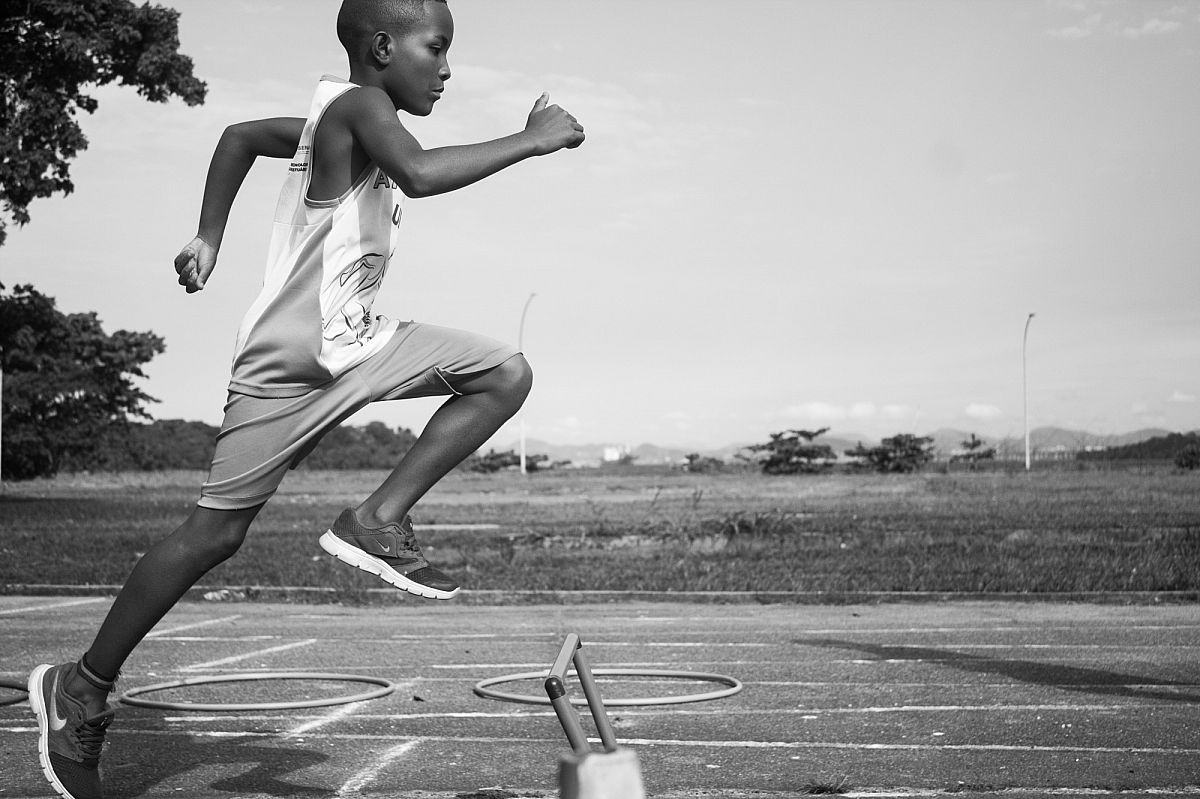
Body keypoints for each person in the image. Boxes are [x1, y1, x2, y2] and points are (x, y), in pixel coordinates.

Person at [27, 1, 583, 796]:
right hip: (289, 357)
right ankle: (79, 685)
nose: (449, 68)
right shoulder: (363, 107)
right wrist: (534, 139)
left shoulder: (337, 117)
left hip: (356, 341)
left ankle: (376, 519)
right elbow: (421, 176)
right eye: (439, 48)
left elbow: (238, 138)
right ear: (384, 47)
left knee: (503, 371)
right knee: (213, 535)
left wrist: (208, 233)